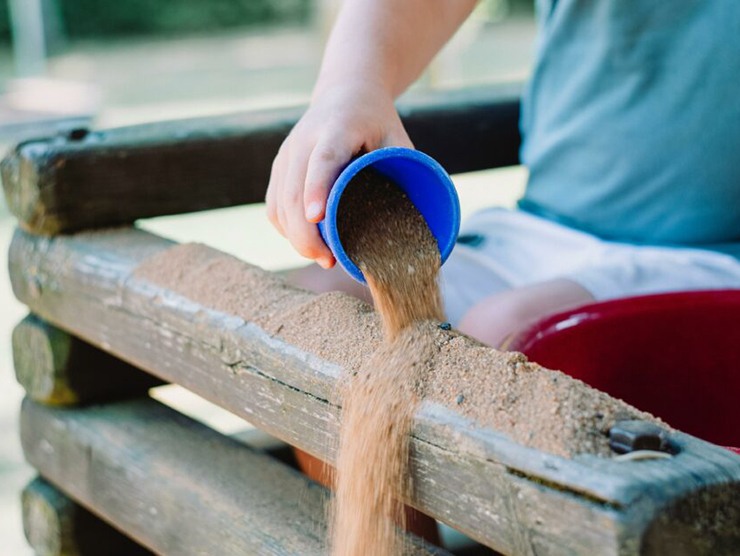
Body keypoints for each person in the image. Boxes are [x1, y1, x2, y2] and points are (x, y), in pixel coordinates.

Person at [266, 0, 740, 346]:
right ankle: (352, 487)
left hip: (709, 254)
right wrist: (352, 85)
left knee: (507, 332)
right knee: (320, 304)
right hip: (536, 229)